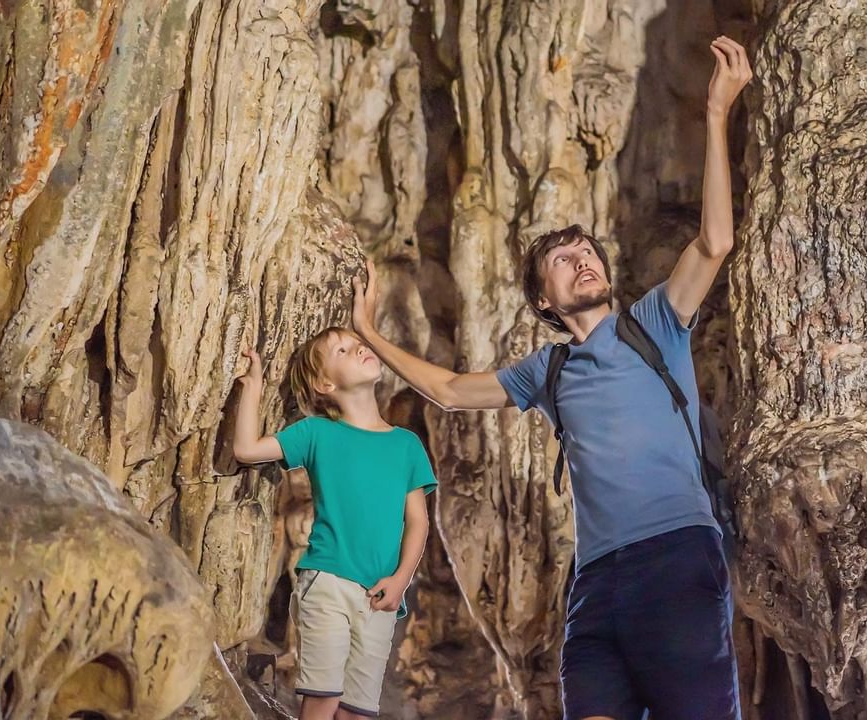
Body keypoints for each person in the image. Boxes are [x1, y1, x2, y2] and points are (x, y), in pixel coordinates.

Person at [350, 35, 752, 719]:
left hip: (677, 558)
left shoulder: (655, 322)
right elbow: (449, 391)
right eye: (563, 260)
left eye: (587, 251)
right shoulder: (549, 368)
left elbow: (714, 242)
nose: (582, 261)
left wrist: (716, 115)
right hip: (595, 584)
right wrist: (366, 334)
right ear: (544, 301)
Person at [233, 328, 436, 720]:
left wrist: (400, 581)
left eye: (358, 343)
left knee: (357, 712)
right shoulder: (317, 433)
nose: (359, 347)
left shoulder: (407, 444)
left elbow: (419, 522)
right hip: (327, 582)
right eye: (343, 349)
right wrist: (254, 387)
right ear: (325, 383)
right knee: (323, 699)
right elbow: (246, 450)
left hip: (379, 596)